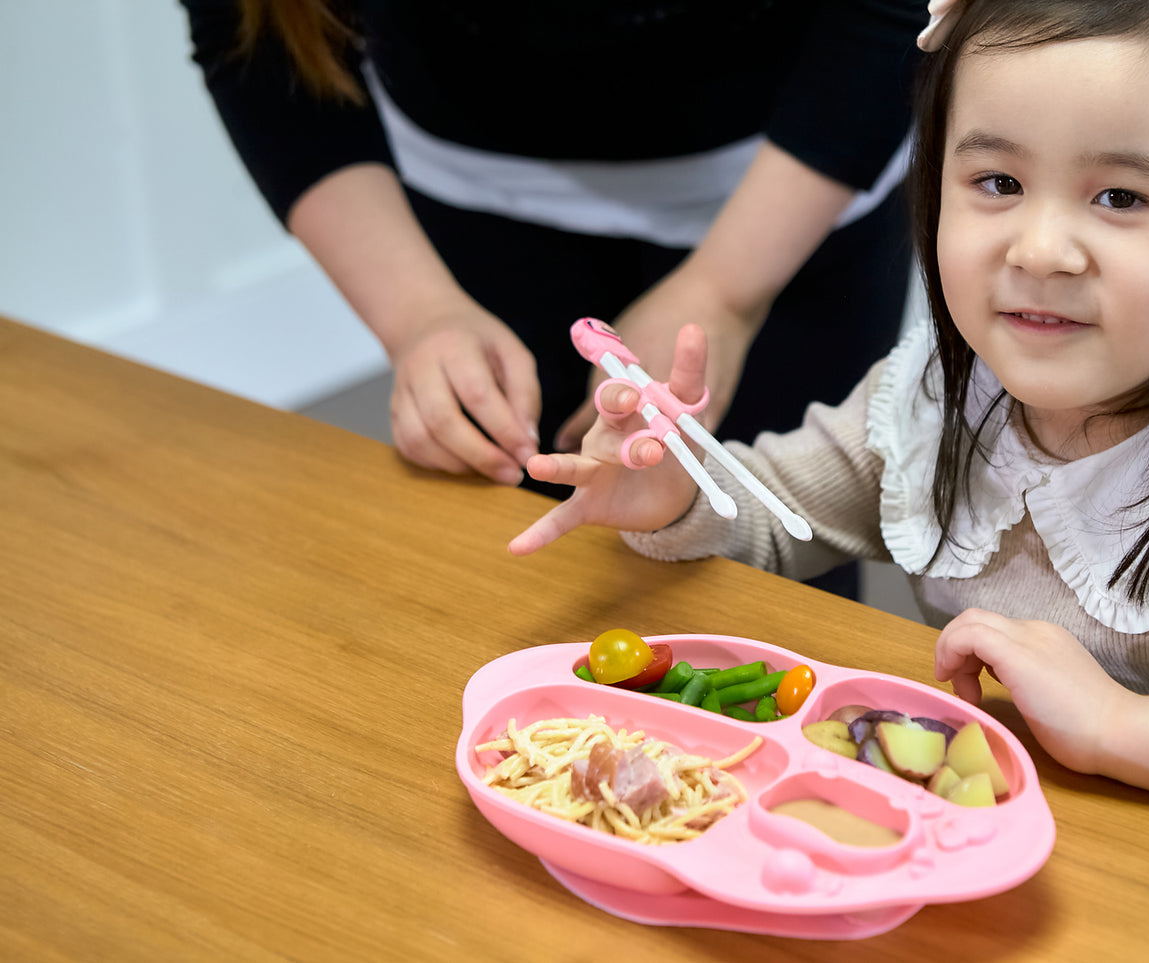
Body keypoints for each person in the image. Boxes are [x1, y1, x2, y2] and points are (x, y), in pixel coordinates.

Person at [508, 0, 1149, 840]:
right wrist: (675, 494)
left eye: (1119, 197)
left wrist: (1123, 726)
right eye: (996, 181)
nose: (1038, 249)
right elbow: (777, 518)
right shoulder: (941, 397)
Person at [180, 0, 924, 597]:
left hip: (795, 177)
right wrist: (416, 313)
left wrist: (725, 289)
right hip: (460, 197)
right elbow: (252, 35)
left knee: (769, 589)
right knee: (508, 579)